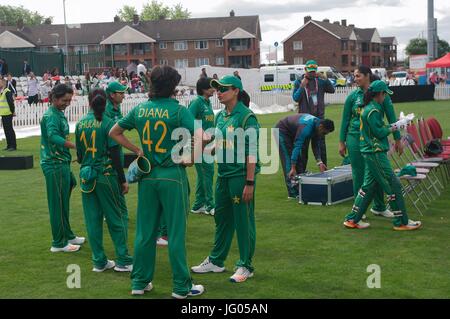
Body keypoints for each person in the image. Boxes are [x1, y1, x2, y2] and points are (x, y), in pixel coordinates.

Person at [109, 65, 206, 298]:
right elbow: (202, 136)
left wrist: (137, 150)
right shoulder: (178, 110)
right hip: (172, 175)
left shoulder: (141, 109)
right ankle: (181, 287)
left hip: (148, 176)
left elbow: (114, 132)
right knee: (175, 233)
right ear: (172, 86)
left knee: (145, 232)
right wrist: (191, 159)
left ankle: (139, 282)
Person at [191, 75, 260, 284]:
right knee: (221, 219)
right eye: (217, 89)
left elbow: (252, 153)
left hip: (240, 177)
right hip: (222, 175)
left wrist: (249, 182)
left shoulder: (247, 117)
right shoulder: (221, 116)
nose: (218, 92)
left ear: (236, 91)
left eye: (223, 89)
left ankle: (245, 265)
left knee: (243, 220)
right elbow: (218, 141)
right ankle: (216, 260)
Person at [343, 80, 422, 231]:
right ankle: (401, 222)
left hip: (371, 152)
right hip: (375, 153)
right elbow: (379, 132)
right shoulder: (373, 110)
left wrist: (397, 124)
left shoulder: (370, 108)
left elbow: (378, 129)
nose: (385, 97)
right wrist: (397, 125)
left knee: (367, 187)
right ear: (379, 94)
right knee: (393, 184)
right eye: (385, 94)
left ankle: (352, 219)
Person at [75, 89, 133, 273]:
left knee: (92, 221)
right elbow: (116, 155)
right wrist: (123, 180)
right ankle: (123, 260)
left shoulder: (80, 123)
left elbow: (79, 155)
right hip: (106, 176)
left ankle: (99, 262)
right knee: (116, 218)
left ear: (89, 102)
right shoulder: (108, 123)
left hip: (87, 177)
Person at [339, 65, 402, 218]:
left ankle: (379, 207)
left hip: (376, 139)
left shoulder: (381, 94)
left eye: (358, 75)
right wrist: (342, 142)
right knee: (359, 173)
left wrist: (398, 139)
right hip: (354, 138)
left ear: (367, 75)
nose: (355, 79)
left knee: (378, 173)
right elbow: (345, 120)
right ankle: (359, 209)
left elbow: (392, 117)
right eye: (354, 76)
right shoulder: (353, 97)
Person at [40, 84, 85, 253]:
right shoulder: (51, 115)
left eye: (69, 100)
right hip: (54, 164)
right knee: (57, 204)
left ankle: (67, 234)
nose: (67, 103)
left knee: (66, 194)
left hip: (61, 162)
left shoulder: (57, 113)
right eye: (64, 100)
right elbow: (52, 136)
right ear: (54, 98)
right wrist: (75, 146)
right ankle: (58, 243)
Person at [275, 114, 335, 198]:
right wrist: (293, 167)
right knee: (288, 160)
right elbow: (297, 146)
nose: (323, 135)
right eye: (324, 133)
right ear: (321, 126)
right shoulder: (306, 128)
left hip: (292, 131)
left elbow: (315, 145)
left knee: (299, 161)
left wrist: (320, 162)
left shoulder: (318, 126)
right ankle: (293, 193)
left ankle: (299, 188)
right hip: (281, 131)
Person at [292, 60, 335, 168]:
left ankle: (324, 170)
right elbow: (296, 98)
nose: (311, 73)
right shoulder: (298, 81)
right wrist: (302, 86)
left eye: (313, 71)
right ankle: (302, 173)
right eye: (310, 71)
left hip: (319, 119)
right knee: (304, 148)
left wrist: (325, 78)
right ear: (305, 70)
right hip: (305, 120)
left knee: (321, 147)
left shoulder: (320, 81)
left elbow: (332, 90)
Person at [189, 77, 216, 215]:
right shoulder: (197, 103)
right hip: (200, 145)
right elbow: (188, 120)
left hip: (208, 145)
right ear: (204, 89)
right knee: (207, 173)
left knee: (203, 175)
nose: (214, 89)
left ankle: (198, 205)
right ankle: (210, 205)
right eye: (212, 86)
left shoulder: (207, 102)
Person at [0, 78, 17, 151]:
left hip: (8, 113)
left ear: (3, 83)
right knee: (6, 130)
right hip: (3, 114)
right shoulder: (2, 91)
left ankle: (13, 145)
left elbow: (11, 103)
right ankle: (9, 145)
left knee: (9, 130)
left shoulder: (7, 91)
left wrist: (12, 112)